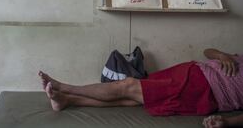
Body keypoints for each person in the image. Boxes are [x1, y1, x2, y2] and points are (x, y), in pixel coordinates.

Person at [39, 48, 243, 127]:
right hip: (192, 71)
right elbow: (207, 51)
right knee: (132, 98)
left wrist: (228, 122)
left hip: (203, 92)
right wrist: (222, 56)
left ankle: (64, 87)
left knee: (128, 86)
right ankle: (67, 100)